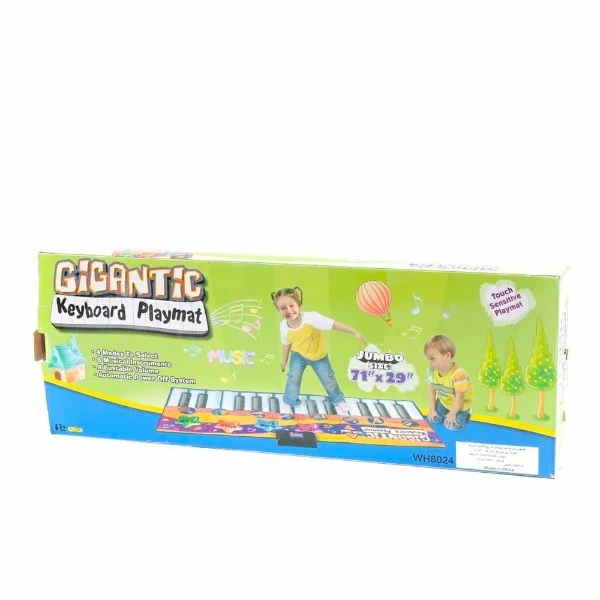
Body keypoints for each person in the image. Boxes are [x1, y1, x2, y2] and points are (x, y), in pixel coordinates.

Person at [272, 287, 367, 407]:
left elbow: (333, 324)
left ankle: (337, 399)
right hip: (298, 355)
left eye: (292, 305)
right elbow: (286, 343)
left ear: (299, 303)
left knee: (328, 378)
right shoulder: (283, 326)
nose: (289, 310)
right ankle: (290, 401)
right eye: (283, 308)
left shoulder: (312, 318)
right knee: (293, 378)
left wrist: (353, 332)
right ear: (278, 309)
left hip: (319, 356)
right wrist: (284, 360)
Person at [424, 334, 473, 431]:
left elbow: (460, 396)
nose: (430, 362)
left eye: (432, 358)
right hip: (444, 401)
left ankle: (466, 414)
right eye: (428, 358)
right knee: (435, 419)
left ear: (448, 355)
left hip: (461, 404)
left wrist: (453, 413)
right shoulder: (432, 370)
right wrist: (432, 409)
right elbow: (431, 390)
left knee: (452, 427)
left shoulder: (459, 374)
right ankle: (447, 411)